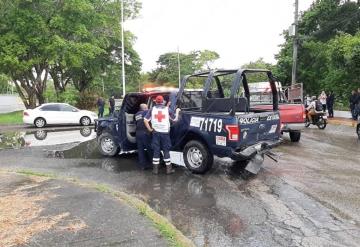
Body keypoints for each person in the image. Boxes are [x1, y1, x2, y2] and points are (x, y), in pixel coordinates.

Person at [144, 95, 180, 175]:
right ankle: (168, 170)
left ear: (155, 102)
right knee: (166, 150)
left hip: (155, 133)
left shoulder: (152, 109)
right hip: (165, 134)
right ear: (163, 101)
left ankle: (155, 170)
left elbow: (145, 120)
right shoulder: (167, 109)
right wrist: (177, 112)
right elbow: (175, 119)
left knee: (156, 151)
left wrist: (150, 129)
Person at [135, 103, 152, 169]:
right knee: (149, 149)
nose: (148, 108)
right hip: (145, 133)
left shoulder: (136, 114)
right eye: (147, 107)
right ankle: (153, 164)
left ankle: (142, 166)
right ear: (144, 108)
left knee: (140, 150)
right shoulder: (146, 112)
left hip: (138, 133)